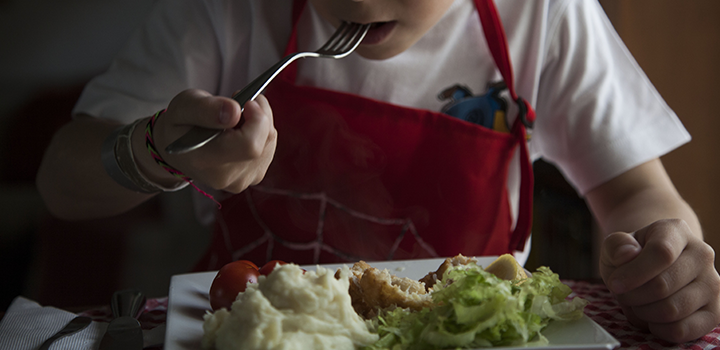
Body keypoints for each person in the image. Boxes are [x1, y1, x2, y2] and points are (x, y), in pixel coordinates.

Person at [36, 0, 719, 343]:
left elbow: (636, 192)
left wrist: (663, 258)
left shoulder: (545, 14)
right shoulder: (227, 12)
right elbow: (60, 181)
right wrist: (153, 152)